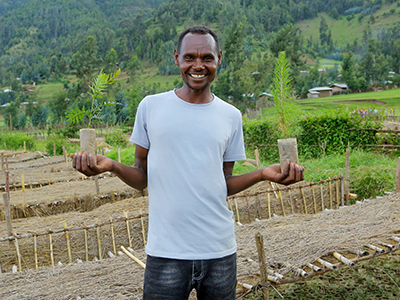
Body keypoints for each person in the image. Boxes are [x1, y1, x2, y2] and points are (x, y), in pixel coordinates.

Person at [71, 25, 304, 300]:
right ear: (176, 58)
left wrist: (263, 174)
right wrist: (111, 165)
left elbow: (223, 183)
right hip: (166, 253)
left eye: (207, 58)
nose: (198, 65)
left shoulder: (231, 116)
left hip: (219, 252)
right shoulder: (150, 107)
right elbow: (141, 175)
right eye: (190, 57)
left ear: (219, 60)